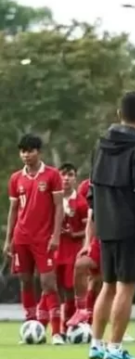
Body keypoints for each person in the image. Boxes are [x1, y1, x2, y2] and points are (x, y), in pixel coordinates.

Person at [88, 91, 135, 359]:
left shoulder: (99, 145)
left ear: (119, 114)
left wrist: (100, 218)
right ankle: (115, 349)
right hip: (130, 230)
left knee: (107, 286)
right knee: (125, 288)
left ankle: (95, 346)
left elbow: (91, 189)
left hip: (106, 228)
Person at [4, 134, 65, 344]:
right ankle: (30, 324)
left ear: (39, 152)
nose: (26, 155)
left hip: (44, 238)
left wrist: (56, 235)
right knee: (25, 281)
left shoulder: (52, 175)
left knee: (49, 283)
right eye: (22, 151)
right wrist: (8, 239)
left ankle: (57, 332)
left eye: (30, 151)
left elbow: (59, 207)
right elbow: (13, 210)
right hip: (21, 238)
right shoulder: (15, 178)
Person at [56, 163, 89, 334]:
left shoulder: (81, 203)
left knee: (69, 292)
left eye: (70, 175)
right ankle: (48, 329)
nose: (66, 178)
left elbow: (88, 229)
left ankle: (65, 329)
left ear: (75, 178)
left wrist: (73, 233)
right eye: (63, 174)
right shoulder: (52, 198)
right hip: (53, 252)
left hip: (71, 253)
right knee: (52, 290)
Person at [67, 177, 103, 327]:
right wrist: (87, 243)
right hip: (99, 240)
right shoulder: (88, 186)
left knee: (104, 283)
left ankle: (103, 322)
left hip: (119, 238)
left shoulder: (124, 180)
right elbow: (90, 218)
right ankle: (82, 310)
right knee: (81, 265)